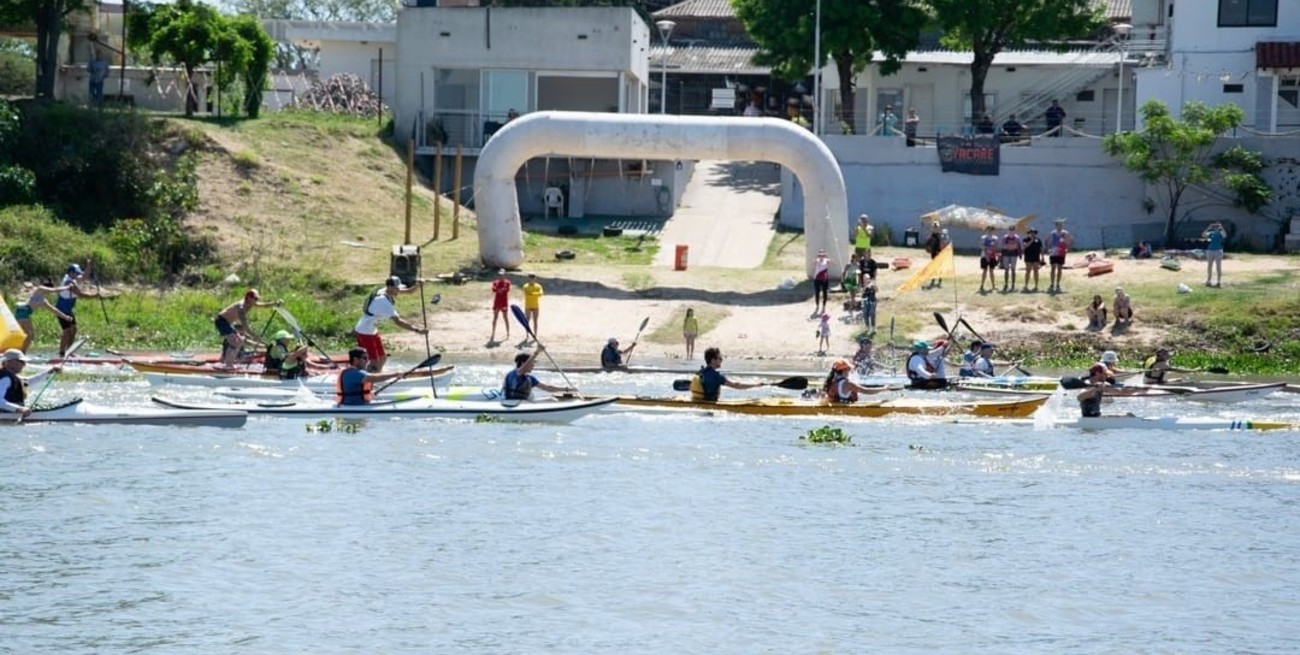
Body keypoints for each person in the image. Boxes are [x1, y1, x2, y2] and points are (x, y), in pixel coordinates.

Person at [353, 276, 428, 373]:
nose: (399, 290)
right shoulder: (383, 301)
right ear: (390, 287)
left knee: (382, 358)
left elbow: (409, 291)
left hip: (371, 330)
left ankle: (377, 376)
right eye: (397, 288)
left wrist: (417, 286)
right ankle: (368, 379)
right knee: (374, 360)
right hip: (364, 332)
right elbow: (398, 321)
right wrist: (417, 330)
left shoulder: (385, 290)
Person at [215, 288, 282, 368]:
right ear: (249, 298)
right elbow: (246, 328)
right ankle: (228, 365)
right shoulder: (241, 308)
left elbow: (264, 305)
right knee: (234, 342)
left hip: (228, 323)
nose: (257, 301)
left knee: (239, 341)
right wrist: (256, 338)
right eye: (255, 299)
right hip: (221, 321)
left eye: (257, 299)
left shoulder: (251, 303)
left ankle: (229, 364)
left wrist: (275, 303)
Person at [53, 263, 105, 358]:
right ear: (70, 273)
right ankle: (61, 353)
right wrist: (95, 295)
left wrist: (89, 265)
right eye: (76, 273)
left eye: (78, 273)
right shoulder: (68, 282)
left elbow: (84, 276)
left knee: (74, 329)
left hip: (68, 310)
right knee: (67, 331)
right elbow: (81, 294)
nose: (78, 275)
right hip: (61, 310)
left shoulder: (73, 278)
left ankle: (69, 351)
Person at [334, 347, 415, 405]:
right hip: (353, 406)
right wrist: (395, 374)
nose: (368, 361)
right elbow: (374, 378)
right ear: (355, 359)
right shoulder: (352, 373)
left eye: (368, 358)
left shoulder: (356, 372)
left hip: (359, 404)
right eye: (365, 358)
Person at [12, 280, 72, 353]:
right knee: (30, 334)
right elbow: (54, 290)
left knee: (26, 334)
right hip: (23, 311)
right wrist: (67, 287)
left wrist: (66, 317)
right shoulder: (39, 288)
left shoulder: (43, 301)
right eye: (48, 291)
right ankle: (22, 353)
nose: (49, 293)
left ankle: (17, 350)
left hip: (23, 312)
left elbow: (54, 310)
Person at [688, 347, 765, 401]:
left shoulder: (701, 372)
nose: (721, 360)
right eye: (720, 358)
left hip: (700, 401)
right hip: (710, 403)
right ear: (712, 360)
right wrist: (755, 385)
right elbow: (736, 385)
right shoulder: (717, 376)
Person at [0, 349, 60, 417]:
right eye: (21, 362)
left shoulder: (11, 376)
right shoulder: (5, 379)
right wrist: (20, 409)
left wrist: (50, 371)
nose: (24, 364)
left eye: (24, 362)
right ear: (8, 362)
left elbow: (27, 382)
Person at [503, 346, 575, 401]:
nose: (533, 366)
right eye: (532, 363)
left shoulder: (530, 379)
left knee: (551, 399)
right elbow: (523, 369)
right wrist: (536, 352)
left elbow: (548, 388)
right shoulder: (514, 374)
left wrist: (567, 389)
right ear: (523, 363)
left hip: (524, 404)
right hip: (512, 403)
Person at [1047, 218, 1073, 293]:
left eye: (1061, 224)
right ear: (1056, 225)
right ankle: (1052, 284)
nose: (1060, 226)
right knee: (1053, 268)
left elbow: (1070, 240)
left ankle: (1058, 284)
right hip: (1054, 252)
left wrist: (1067, 247)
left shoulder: (1065, 233)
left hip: (1061, 252)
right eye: (1058, 224)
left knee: (1059, 268)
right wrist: (1049, 248)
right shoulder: (1052, 233)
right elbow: (1047, 241)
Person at [489, 269, 512, 342]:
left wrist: (500, 290)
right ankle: (493, 333)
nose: (501, 276)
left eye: (502, 275)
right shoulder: (495, 282)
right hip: (497, 302)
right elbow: (493, 289)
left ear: (504, 275)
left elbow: (506, 289)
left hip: (504, 302)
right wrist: (500, 290)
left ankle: (508, 332)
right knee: (495, 318)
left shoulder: (507, 282)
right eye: (499, 275)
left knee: (505, 318)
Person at [999, 225, 1023, 293]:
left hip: (1013, 255)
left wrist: (1010, 246)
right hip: (1006, 254)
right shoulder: (1004, 237)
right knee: (1006, 270)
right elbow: (1003, 246)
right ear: (1008, 230)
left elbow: (1017, 246)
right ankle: (1006, 284)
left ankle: (1013, 284)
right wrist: (1011, 246)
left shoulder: (1017, 237)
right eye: (1010, 230)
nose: (1011, 231)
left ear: (1014, 231)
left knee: (1013, 270)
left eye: (1012, 230)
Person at [1203, 221, 1227, 287]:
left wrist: (1221, 227)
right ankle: (1208, 280)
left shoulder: (1220, 233)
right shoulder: (1211, 233)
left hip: (1218, 251)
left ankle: (1219, 281)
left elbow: (1225, 235)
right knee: (1209, 266)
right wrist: (1209, 227)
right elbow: (1203, 235)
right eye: (1215, 226)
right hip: (1210, 250)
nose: (1216, 227)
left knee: (1218, 266)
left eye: (1217, 226)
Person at [521, 273, 543, 340]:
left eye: (533, 278)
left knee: (535, 321)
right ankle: (527, 334)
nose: (532, 279)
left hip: (535, 306)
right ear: (528, 278)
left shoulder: (538, 286)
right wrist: (535, 294)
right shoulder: (525, 286)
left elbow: (541, 293)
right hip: (528, 306)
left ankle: (535, 335)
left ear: (535, 278)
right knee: (527, 321)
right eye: (530, 278)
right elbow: (527, 294)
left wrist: (533, 294)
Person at [978, 226, 1000, 293]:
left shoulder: (995, 238)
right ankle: (982, 285)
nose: (990, 231)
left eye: (992, 230)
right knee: (985, 271)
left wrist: (996, 254)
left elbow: (996, 247)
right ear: (987, 230)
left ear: (993, 230)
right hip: (984, 256)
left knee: (992, 271)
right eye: (989, 230)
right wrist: (987, 255)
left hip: (992, 257)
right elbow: (982, 246)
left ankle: (993, 285)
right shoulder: (983, 237)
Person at [1022, 228, 1044, 292]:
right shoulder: (1025, 239)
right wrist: (1031, 240)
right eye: (1031, 232)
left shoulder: (1038, 240)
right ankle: (1026, 286)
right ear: (1029, 233)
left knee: (1036, 272)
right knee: (1028, 271)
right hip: (1028, 258)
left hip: (1036, 258)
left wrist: (1042, 257)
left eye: (1033, 232)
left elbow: (1041, 249)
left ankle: (1036, 286)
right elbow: (1025, 246)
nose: (1032, 234)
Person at [925, 223, 944, 288]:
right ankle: (933, 280)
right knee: (933, 268)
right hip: (933, 254)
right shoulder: (931, 236)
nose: (935, 229)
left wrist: (940, 251)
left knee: (939, 268)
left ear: (938, 228)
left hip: (939, 254)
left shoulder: (940, 236)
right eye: (934, 227)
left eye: (936, 227)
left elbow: (942, 245)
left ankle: (940, 280)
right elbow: (928, 245)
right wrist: (928, 248)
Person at [812, 249, 831, 315]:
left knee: (825, 293)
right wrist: (817, 259)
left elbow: (833, 262)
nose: (821, 256)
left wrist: (828, 259)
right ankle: (817, 305)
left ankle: (824, 306)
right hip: (817, 278)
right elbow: (813, 262)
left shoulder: (826, 260)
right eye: (820, 255)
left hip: (824, 279)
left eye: (823, 255)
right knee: (817, 292)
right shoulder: (817, 260)